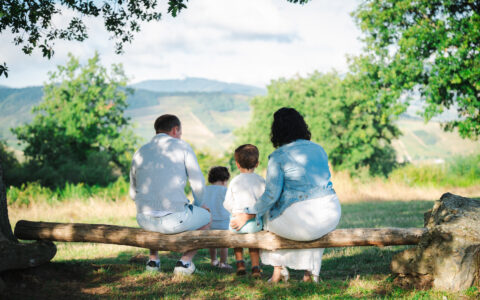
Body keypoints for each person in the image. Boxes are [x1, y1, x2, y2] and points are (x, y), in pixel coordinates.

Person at [230, 107, 341, 283]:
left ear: (277, 130)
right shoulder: (319, 149)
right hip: (330, 214)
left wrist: (248, 213)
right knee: (312, 224)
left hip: (306, 220)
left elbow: (271, 195)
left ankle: (278, 270)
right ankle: (310, 273)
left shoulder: (278, 156)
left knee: (267, 216)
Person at [129, 114, 211, 275]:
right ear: (175, 130)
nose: (180, 136)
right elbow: (198, 184)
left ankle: (153, 261)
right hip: (174, 220)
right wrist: (197, 206)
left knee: (153, 210)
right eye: (180, 132)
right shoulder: (183, 147)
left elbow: (133, 192)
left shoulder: (140, 151)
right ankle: (184, 263)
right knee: (207, 217)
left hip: (143, 219)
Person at [224, 144, 265, 278]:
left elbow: (227, 203)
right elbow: (264, 202)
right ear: (257, 163)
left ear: (237, 164)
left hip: (236, 223)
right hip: (255, 223)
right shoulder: (260, 181)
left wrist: (235, 212)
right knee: (253, 244)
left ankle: (240, 263)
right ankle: (255, 268)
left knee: (237, 240)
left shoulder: (235, 181)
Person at [202, 166, 232, 269]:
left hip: (208, 223)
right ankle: (223, 263)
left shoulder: (204, 190)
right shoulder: (226, 190)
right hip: (223, 223)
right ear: (224, 180)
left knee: (212, 243)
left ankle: (213, 260)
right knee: (224, 244)